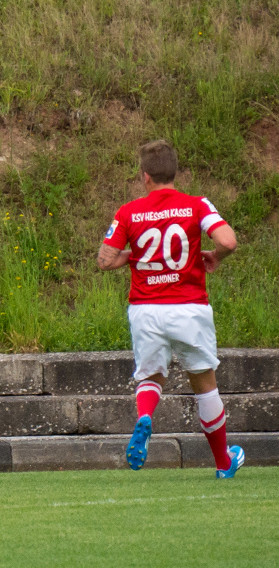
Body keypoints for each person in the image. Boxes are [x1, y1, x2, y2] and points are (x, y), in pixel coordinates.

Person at [97, 139, 243, 479]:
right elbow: (228, 241)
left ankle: (145, 417)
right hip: (189, 307)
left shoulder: (128, 212)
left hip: (146, 309)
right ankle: (223, 463)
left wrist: (138, 255)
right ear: (174, 172)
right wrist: (215, 258)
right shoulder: (196, 205)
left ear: (145, 176)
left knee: (150, 375)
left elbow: (104, 260)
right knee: (205, 383)